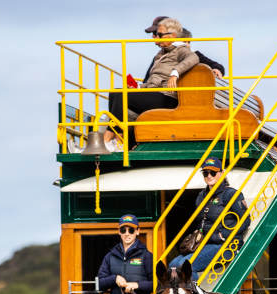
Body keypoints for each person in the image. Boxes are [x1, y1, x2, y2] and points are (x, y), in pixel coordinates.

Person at [104, 17, 197, 149]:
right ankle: (116, 141)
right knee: (115, 93)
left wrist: (175, 73)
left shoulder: (180, 50)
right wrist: (138, 87)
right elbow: (154, 79)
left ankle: (112, 140)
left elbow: (193, 58)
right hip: (153, 93)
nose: (156, 39)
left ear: (172, 35)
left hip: (166, 97)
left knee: (120, 95)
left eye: (159, 35)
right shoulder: (160, 54)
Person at [170, 157, 248, 274]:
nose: (209, 176)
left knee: (185, 266)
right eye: (205, 173)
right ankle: (179, 292)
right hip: (205, 243)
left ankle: (195, 293)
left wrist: (223, 235)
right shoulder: (201, 196)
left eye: (213, 172)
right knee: (173, 265)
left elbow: (246, 220)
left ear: (222, 173)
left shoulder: (231, 194)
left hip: (226, 245)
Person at [96, 214, 153, 294]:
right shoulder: (110, 256)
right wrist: (114, 279)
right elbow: (98, 284)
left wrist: (137, 285)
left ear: (137, 231)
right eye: (123, 230)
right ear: (119, 232)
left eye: (131, 230)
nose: (127, 233)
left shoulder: (147, 256)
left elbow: (157, 284)